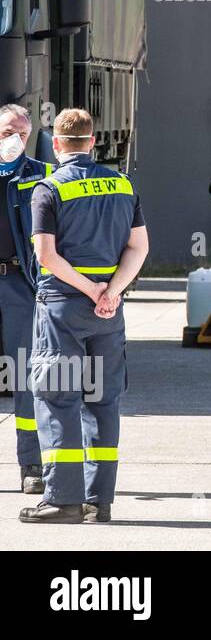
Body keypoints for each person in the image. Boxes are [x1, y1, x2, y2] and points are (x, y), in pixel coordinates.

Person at [19, 109, 148, 524]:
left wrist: (89, 288)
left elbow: (46, 256)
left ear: (56, 145)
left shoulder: (48, 189)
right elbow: (138, 248)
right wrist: (110, 291)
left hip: (62, 307)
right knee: (103, 401)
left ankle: (62, 499)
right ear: (92, 143)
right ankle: (99, 501)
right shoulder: (123, 185)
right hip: (107, 313)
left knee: (57, 399)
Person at [0, 104, 52, 494]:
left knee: (23, 376)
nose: (13, 141)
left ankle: (30, 466)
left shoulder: (42, 176)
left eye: (20, 133)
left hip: (19, 283)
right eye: (6, 133)